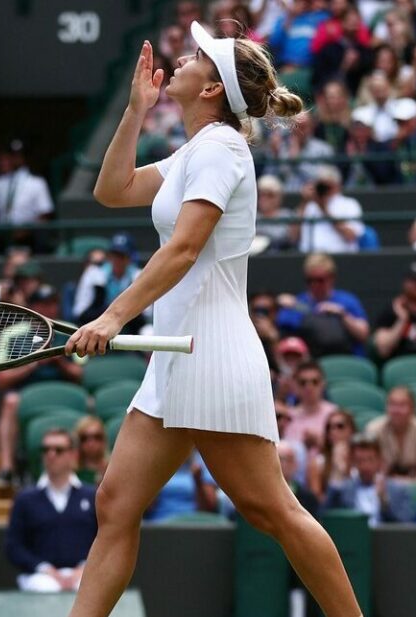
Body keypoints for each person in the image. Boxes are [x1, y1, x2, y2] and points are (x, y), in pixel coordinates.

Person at [65, 27, 360, 616]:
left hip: (214, 354)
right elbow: (111, 189)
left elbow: (182, 248)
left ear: (212, 91)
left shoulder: (223, 151)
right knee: (115, 504)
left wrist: (113, 316)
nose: (181, 59)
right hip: (174, 360)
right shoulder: (192, 153)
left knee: (271, 510)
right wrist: (134, 112)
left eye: (198, 57)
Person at [0, 285, 83, 488]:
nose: (48, 309)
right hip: (27, 394)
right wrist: (33, 364)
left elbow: (81, 374)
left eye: (52, 304)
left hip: (63, 393)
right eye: (43, 304)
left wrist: (59, 361)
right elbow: (1, 379)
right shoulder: (12, 334)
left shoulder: (71, 331)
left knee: (91, 401)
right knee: (10, 401)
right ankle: (7, 469)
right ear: (32, 307)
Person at [5, 428, 98, 592]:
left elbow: (103, 539)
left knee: (89, 586)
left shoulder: (92, 496)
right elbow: (14, 546)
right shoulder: (25, 499)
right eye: (46, 449)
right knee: (47, 587)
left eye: (58, 450)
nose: (51, 454)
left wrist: (84, 567)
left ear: (73, 454)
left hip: (85, 572)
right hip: (40, 576)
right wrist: (44, 568)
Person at [275, 253, 370, 358]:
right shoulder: (297, 303)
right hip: (311, 364)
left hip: (347, 358)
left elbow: (363, 334)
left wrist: (342, 315)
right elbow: (281, 334)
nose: (314, 285)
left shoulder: (347, 301)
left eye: (320, 280)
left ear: (331, 278)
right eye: (310, 280)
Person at [323, 435, 414, 525]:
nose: (365, 466)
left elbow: (405, 527)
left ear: (379, 460)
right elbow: (324, 519)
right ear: (353, 462)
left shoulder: (397, 490)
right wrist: (337, 475)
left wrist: (384, 502)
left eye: (370, 460)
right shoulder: (343, 489)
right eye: (360, 460)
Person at [365, 386, 416, 480]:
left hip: (415, 485)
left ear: (413, 409)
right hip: (383, 483)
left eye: (402, 405)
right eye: (392, 404)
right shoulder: (374, 429)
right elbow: (368, 469)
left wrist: (408, 483)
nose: (396, 410)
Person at [296, 166, 364, 254]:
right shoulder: (309, 205)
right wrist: (304, 202)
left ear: (337, 185)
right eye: (321, 185)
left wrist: (324, 210)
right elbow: (293, 237)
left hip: (340, 257)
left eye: (327, 186)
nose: (324, 189)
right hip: (310, 259)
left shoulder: (349, 204)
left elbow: (351, 236)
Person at [284, 362, 337, 454]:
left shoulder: (334, 414)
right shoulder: (287, 417)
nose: (309, 387)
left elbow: (342, 450)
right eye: (303, 383)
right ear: (295, 385)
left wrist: (320, 443)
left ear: (323, 384)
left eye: (315, 382)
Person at [74, 416, 109, 486]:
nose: (91, 443)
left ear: (104, 440)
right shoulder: (72, 473)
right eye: (84, 438)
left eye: (97, 437)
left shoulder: (112, 469)